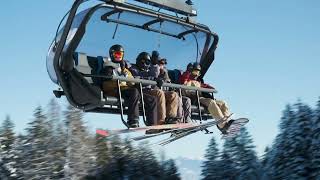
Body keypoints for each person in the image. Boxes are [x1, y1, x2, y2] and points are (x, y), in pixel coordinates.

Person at [101, 45, 157, 128]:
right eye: (116, 55)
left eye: (120, 55)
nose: (118, 57)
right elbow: (106, 83)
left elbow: (132, 82)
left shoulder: (124, 68)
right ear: (112, 55)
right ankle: (133, 120)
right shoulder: (108, 67)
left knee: (151, 99)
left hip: (126, 90)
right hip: (115, 90)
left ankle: (152, 123)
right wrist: (119, 80)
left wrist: (124, 71)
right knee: (134, 91)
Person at [181, 62, 236, 134]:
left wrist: (209, 88)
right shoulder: (185, 79)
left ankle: (227, 121)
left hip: (200, 98)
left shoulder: (198, 82)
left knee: (223, 103)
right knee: (211, 102)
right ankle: (222, 125)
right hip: (193, 99)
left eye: (198, 72)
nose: (196, 74)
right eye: (195, 72)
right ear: (191, 71)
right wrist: (187, 73)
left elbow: (207, 87)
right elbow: (182, 81)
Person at [130, 52, 179, 125]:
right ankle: (160, 121)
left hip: (150, 90)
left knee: (173, 94)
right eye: (142, 61)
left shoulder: (148, 69)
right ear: (138, 60)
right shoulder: (133, 69)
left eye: (147, 62)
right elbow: (136, 79)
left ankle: (170, 118)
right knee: (159, 93)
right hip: (141, 90)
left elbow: (154, 75)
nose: (144, 64)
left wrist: (154, 65)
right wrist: (153, 79)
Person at [158, 58, 192, 123]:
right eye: (160, 63)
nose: (162, 66)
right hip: (160, 94)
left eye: (163, 64)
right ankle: (179, 120)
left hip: (168, 93)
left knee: (187, 100)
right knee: (177, 98)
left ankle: (187, 120)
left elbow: (168, 82)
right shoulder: (154, 70)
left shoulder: (165, 73)